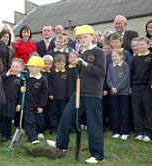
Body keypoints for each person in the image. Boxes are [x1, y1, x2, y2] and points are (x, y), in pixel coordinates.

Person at [47, 25, 105, 164]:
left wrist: (84, 64)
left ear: (92, 37)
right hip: (79, 92)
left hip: (92, 93)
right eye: (80, 38)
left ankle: (97, 154)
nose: (83, 39)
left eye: (85, 37)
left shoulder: (98, 52)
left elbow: (101, 72)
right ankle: (61, 144)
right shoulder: (82, 52)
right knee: (67, 116)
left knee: (93, 124)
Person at [131, 37, 152, 142]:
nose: (140, 46)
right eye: (139, 45)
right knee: (137, 110)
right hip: (136, 87)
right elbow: (131, 72)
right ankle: (139, 132)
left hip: (147, 86)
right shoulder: (135, 57)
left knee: (148, 110)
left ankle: (149, 133)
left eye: (143, 44)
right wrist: (131, 86)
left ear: (148, 45)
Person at [16, 56, 48, 144]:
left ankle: (38, 132)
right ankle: (32, 138)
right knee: (29, 121)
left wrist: (41, 106)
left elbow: (44, 94)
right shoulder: (25, 77)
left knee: (38, 120)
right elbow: (20, 88)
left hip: (37, 104)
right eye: (30, 66)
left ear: (40, 68)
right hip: (26, 104)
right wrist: (21, 89)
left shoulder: (42, 80)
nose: (31, 68)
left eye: (34, 67)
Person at [107, 49, 130, 140]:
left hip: (123, 93)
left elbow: (126, 78)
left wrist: (118, 88)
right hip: (113, 93)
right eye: (112, 56)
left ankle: (124, 132)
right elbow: (108, 79)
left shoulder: (125, 65)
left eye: (116, 56)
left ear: (121, 57)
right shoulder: (110, 66)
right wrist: (112, 87)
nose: (114, 58)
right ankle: (116, 131)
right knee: (115, 112)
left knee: (123, 112)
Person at [0, 58, 24, 142]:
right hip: (3, 100)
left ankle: (8, 134)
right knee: (3, 118)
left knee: (10, 118)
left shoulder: (21, 79)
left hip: (13, 102)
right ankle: (3, 135)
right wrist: (6, 74)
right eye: (13, 66)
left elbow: (21, 93)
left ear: (21, 68)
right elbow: (0, 81)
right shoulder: (6, 76)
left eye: (17, 67)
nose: (14, 68)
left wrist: (19, 104)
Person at [50, 54, 68, 125]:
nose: (60, 66)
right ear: (54, 64)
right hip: (54, 97)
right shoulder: (52, 72)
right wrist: (51, 93)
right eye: (58, 64)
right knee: (53, 112)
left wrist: (67, 95)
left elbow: (68, 85)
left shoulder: (67, 72)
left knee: (63, 112)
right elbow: (50, 84)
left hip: (63, 97)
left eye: (62, 64)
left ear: (65, 63)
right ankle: (53, 128)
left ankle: (62, 126)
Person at [42, 55, 55, 135]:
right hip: (43, 96)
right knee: (43, 112)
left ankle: (52, 128)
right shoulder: (41, 73)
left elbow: (52, 84)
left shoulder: (52, 73)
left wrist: (51, 93)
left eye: (49, 64)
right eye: (45, 63)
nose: (47, 65)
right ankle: (43, 127)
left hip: (51, 96)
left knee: (51, 112)